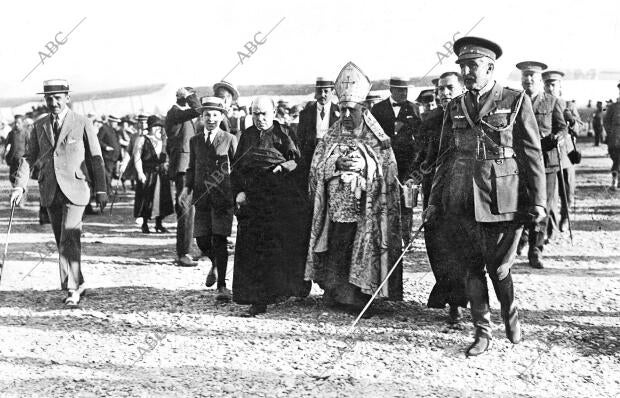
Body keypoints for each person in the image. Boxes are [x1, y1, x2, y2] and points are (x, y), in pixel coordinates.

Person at [424, 37, 546, 356]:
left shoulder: (515, 100)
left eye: (472, 65)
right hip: (461, 199)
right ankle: (482, 331)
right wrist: (435, 201)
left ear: (490, 67)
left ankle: (510, 313)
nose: (466, 71)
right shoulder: (455, 107)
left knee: (500, 268)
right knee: (470, 267)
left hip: (504, 199)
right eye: (462, 66)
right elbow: (443, 158)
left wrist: (539, 202)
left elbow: (532, 154)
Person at [305, 62, 403, 315]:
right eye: (342, 110)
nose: (346, 115)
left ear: (364, 108)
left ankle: (360, 295)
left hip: (365, 211)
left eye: (351, 110)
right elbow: (317, 167)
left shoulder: (378, 138)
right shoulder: (332, 134)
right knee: (337, 245)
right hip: (335, 210)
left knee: (360, 247)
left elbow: (388, 172)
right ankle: (335, 292)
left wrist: (366, 165)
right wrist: (335, 163)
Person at [10, 79, 108, 307]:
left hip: (76, 189)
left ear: (67, 98)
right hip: (50, 190)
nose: (53, 102)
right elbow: (28, 157)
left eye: (58, 98)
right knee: (61, 239)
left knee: (68, 236)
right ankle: (79, 281)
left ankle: (71, 288)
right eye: (49, 98)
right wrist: (19, 185)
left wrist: (101, 189)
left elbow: (96, 158)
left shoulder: (82, 122)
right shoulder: (39, 125)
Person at [231, 96, 311, 316]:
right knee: (253, 249)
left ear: (273, 113)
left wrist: (284, 166)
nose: (260, 118)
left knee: (278, 246)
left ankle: (282, 290)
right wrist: (238, 192)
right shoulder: (246, 135)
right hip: (253, 200)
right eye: (256, 113)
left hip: (279, 198)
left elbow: (297, 161)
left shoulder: (283, 133)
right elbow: (236, 167)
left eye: (264, 113)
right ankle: (256, 298)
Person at [407, 71, 467, 324]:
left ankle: (457, 303)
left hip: (465, 193)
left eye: (449, 88)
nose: (444, 93)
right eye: (441, 89)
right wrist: (414, 176)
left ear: (462, 88)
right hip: (434, 193)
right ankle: (447, 288)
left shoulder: (471, 116)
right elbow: (421, 157)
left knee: (462, 247)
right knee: (437, 247)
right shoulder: (430, 120)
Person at [179, 97, 237, 301]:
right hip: (201, 197)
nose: (211, 119)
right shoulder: (195, 141)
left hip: (223, 197)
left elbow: (237, 168)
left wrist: (238, 193)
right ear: (202, 118)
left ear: (221, 117)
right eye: (207, 115)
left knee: (220, 238)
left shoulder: (229, 139)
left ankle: (222, 285)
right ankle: (215, 263)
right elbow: (191, 168)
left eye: (215, 115)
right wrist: (186, 188)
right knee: (202, 240)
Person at [515, 61, 567, 269]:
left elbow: (562, 128)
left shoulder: (552, 102)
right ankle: (521, 239)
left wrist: (557, 137)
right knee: (521, 203)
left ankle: (535, 250)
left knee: (541, 206)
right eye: (525, 77)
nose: (528, 80)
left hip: (546, 163)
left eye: (532, 77)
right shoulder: (516, 101)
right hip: (522, 162)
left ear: (539, 80)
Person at [371, 76, 421, 246]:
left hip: (407, 162)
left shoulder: (413, 108)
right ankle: (385, 236)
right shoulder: (378, 109)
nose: (403, 93)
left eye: (406, 90)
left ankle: (405, 239)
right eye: (400, 90)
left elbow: (419, 136)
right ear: (391, 90)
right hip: (384, 162)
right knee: (385, 199)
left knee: (406, 201)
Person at [165, 87, 201, 266]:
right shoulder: (175, 113)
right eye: (188, 97)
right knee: (186, 208)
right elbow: (198, 109)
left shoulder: (179, 114)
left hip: (186, 165)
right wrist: (191, 96)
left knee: (188, 208)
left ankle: (187, 250)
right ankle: (183, 253)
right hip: (183, 167)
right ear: (183, 98)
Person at [543, 71, 576, 234]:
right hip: (550, 153)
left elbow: (579, 126)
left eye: (553, 85)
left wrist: (572, 124)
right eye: (547, 85)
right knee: (551, 193)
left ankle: (565, 217)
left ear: (560, 86)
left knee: (567, 189)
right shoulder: (543, 104)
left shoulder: (568, 105)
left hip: (567, 153)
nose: (550, 88)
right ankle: (552, 226)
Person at [297, 77, 340, 190]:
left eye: (326, 91)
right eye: (319, 91)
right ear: (315, 92)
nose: (323, 94)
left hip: (332, 157)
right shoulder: (305, 113)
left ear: (332, 92)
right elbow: (300, 138)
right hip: (310, 157)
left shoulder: (340, 113)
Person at [133, 116, 174, 234]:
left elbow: (169, 157)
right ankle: (145, 224)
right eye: (155, 127)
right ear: (150, 128)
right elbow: (137, 157)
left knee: (162, 199)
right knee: (146, 198)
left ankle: (159, 224)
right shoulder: (142, 139)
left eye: (160, 127)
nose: (158, 129)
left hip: (161, 174)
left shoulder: (164, 141)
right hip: (148, 173)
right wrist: (140, 172)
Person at [98, 115, 122, 195]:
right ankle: (109, 191)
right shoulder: (104, 128)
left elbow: (117, 143)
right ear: (111, 121)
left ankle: (109, 190)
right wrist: (106, 147)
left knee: (111, 174)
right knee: (107, 174)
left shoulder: (114, 130)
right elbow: (98, 140)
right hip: (107, 156)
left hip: (114, 156)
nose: (116, 124)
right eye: (115, 122)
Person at [603, 83, 620, 190]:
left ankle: (616, 180)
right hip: (615, 138)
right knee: (616, 159)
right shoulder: (613, 107)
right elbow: (606, 121)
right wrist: (611, 132)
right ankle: (615, 179)